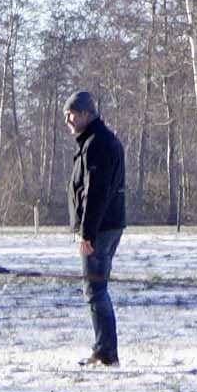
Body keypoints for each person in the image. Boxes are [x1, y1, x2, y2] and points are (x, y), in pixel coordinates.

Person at [65, 90, 128, 367]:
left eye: (71, 115)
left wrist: (87, 232)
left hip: (100, 229)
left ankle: (106, 351)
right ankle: (104, 348)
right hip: (108, 225)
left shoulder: (96, 144)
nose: (67, 120)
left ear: (85, 114)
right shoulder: (97, 140)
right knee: (97, 288)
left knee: (95, 289)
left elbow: (96, 192)